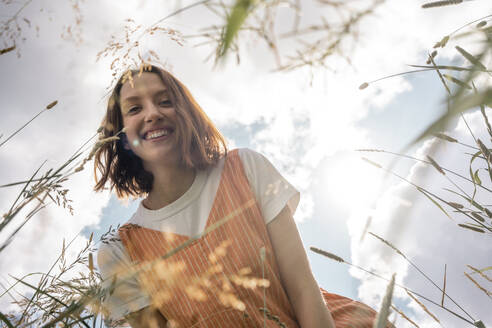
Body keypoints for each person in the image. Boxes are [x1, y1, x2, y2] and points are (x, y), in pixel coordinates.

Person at [95, 65, 392, 328]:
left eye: (165, 101)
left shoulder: (245, 168)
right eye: (134, 109)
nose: (152, 113)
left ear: (186, 113)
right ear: (120, 136)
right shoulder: (121, 252)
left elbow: (303, 288)